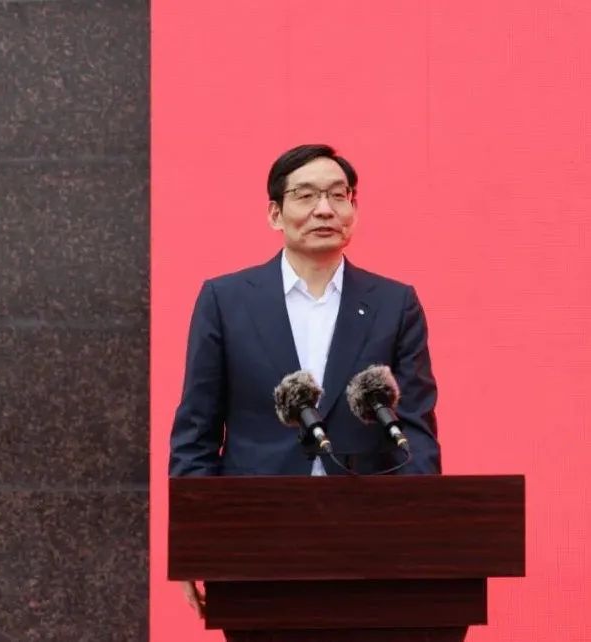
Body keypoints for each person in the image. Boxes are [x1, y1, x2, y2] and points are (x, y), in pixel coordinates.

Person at [168, 143, 442, 615]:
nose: (324, 209)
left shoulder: (394, 304)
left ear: (353, 209)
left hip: (368, 538)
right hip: (256, 535)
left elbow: (415, 431)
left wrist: (420, 534)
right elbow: (196, 431)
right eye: (306, 195)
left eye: (338, 195)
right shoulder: (225, 300)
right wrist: (193, 541)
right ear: (275, 213)